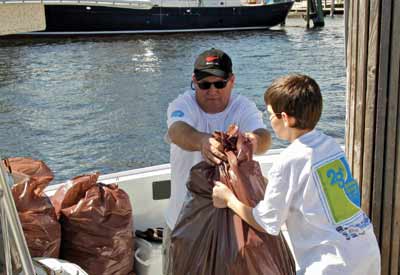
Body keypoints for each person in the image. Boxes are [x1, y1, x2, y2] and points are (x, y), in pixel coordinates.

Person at [212, 74, 381, 275]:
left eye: (270, 115)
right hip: (365, 252)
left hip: (332, 265)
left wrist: (228, 199)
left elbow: (266, 222)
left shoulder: (290, 159)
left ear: (285, 118)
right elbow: (307, 188)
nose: (270, 122)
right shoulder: (329, 145)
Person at [163, 48, 271, 275]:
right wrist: (202, 141)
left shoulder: (244, 108)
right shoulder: (182, 105)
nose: (212, 91)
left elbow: (265, 138)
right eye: (204, 85)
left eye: (219, 84)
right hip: (183, 225)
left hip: (232, 228)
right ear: (194, 82)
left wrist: (250, 141)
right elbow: (177, 131)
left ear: (231, 81)